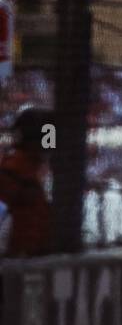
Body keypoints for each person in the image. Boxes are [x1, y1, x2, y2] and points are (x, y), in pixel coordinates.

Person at [0, 108, 54, 258]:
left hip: (34, 260)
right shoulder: (14, 171)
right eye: (49, 137)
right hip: (18, 263)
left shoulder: (34, 170)